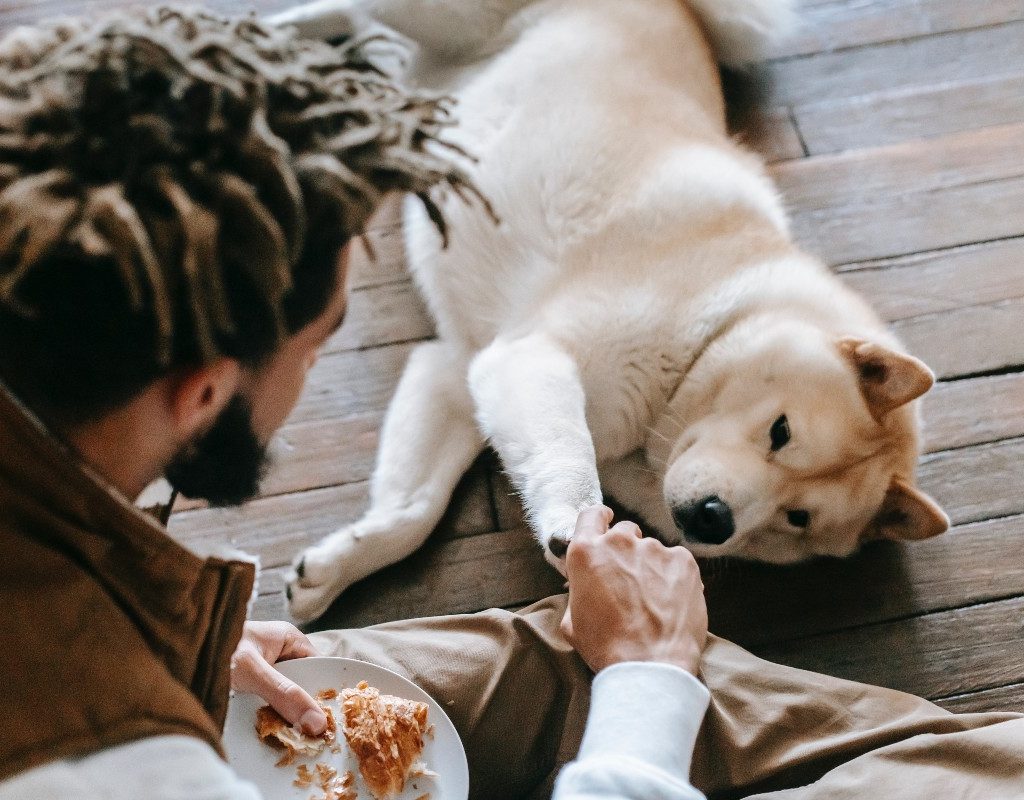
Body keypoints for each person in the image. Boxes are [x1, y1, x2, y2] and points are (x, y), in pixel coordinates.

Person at [1, 7, 1023, 800]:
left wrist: (175, 643)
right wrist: (648, 684)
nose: (313, 370)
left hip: (187, 663)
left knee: (573, 648)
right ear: (205, 391)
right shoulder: (112, 759)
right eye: (318, 348)